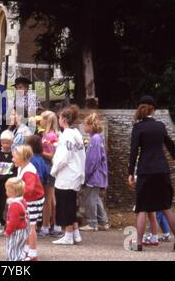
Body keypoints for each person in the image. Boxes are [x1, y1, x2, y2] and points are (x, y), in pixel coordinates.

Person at [128, 95, 175, 251]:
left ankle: (139, 244)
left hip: (145, 170)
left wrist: (130, 173)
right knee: (166, 206)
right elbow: (169, 142)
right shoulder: (160, 126)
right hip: (161, 169)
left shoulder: (138, 127)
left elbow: (133, 152)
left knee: (141, 208)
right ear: (153, 110)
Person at [51, 105, 86, 246]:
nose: (58, 120)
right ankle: (75, 233)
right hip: (76, 172)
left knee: (65, 205)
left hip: (66, 174)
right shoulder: (76, 134)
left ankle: (68, 234)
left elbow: (62, 158)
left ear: (63, 119)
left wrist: (54, 169)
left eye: (59, 117)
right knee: (71, 204)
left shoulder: (66, 135)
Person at [12, 145, 45, 261]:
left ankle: (32, 253)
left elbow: (29, 189)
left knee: (31, 227)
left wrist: (17, 195)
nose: (13, 159)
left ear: (22, 158)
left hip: (34, 200)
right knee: (26, 225)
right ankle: (27, 250)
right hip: (29, 199)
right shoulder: (22, 167)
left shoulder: (28, 171)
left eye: (15, 157)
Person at [79, 113, 110, 232]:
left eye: (85, 124)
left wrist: (86, 175)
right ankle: (103, 221)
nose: (83, 127)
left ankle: (92, 223)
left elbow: (92, 160)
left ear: (91, 126)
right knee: (95, 198)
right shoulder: (98, 138)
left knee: (90, 199)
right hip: (99, 174)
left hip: (94, 175)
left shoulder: (94, 139)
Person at [0, 130, 17, 236]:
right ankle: (1, 221)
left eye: (8, 143)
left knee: (8, 205)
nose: (5, 145)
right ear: (1, 143)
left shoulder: (13, 155)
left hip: (10, 186)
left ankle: (5, 225)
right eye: (4, 142)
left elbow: (15, 170)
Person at [39, 110, 61, 237]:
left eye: (41, 119)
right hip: (48, 167)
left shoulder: (50, 136)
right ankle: (55, 225)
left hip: (48, 167)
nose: (39, 121)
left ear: (46, 121)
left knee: (48, 199)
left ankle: (46, 226)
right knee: (51, 198)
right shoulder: (50, 135)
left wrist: (38, 151)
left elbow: (53, 155)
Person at [4, 178, 30, 261]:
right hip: (23, 230)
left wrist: (8, 231)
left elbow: (13, 221)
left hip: (16, 231)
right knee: (19, 249)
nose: (6, 192)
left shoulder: (14, 205)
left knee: (12, 250)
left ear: (12, 193)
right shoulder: (22, 201)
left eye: (7, 190)